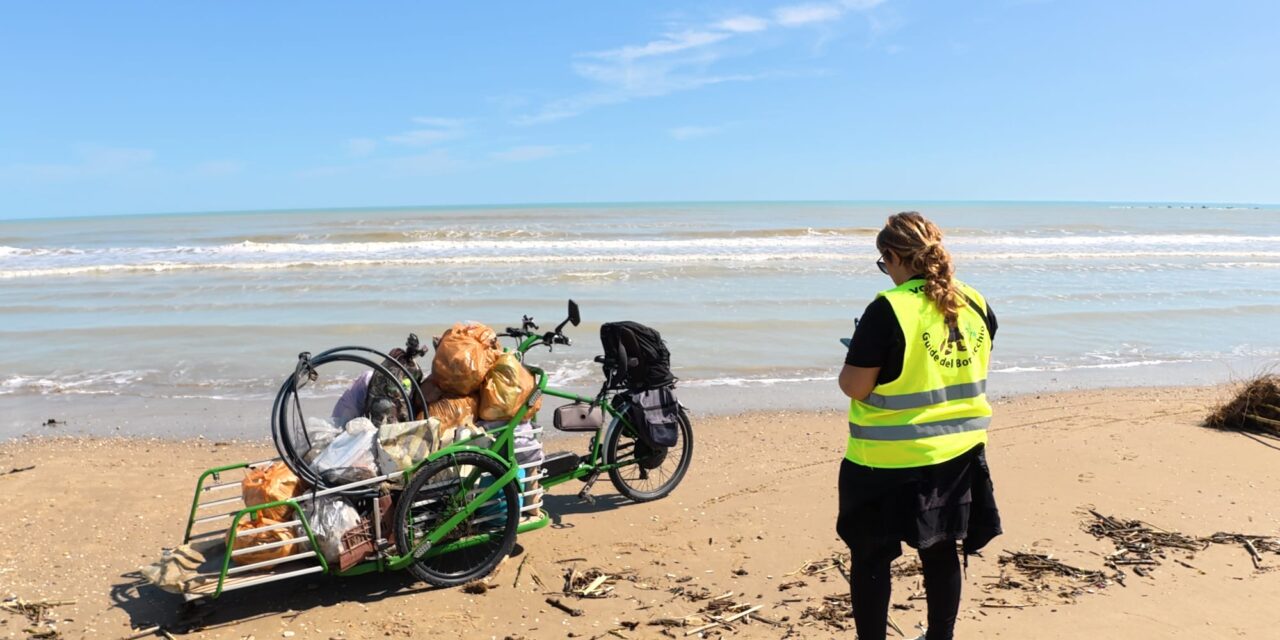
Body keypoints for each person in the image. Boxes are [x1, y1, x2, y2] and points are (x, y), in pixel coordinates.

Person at [837, 212, 1002, 640]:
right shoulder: (977, 303)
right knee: (941, 549)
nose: (885, 271)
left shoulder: (887, 309)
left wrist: (861, 350)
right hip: (958, 453)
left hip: (885, 461)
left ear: (892, 256)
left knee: (872, 557)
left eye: (883, 262)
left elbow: (855, 386)